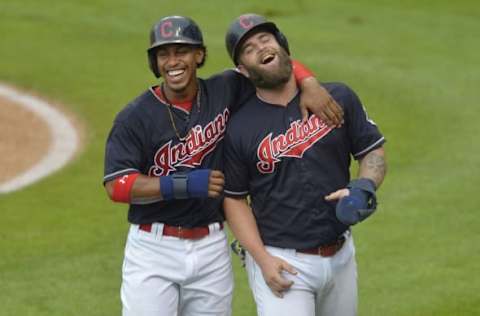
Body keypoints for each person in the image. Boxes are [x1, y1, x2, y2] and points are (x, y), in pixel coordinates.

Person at [103, 15, 343, 316]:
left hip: (211, 247)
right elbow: (117, 185)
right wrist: (183, 184)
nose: (173, 61)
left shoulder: (226, 88)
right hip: (153, 248)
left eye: (182, 52)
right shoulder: (134, 117)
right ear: (154, 63)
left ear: (199, 55)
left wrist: (309, 81)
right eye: (163, 54)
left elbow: (269, 64)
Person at [222, 14, 387, 316]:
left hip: (341, 254)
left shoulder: (337, 97)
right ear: (243, 70)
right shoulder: (239, 128)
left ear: (282, 45)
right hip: (283, 261)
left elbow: (372, 150)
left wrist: (364, 187)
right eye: (248, 48)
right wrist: (261, 258)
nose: (260, 48)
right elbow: (234, 198)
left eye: (266, 39)